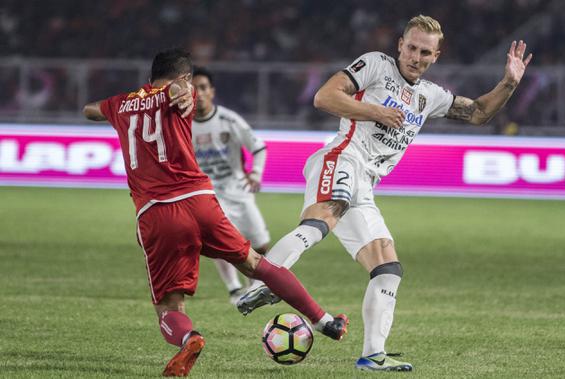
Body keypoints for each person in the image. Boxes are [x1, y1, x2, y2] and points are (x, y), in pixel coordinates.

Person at [237, 15, 532, 372]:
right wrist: (374, 110)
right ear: (400, 45)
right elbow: (324, 97)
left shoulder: (431, 96)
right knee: (326, 216)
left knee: (387, 267)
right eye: (411, 47)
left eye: (425, 51)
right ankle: (267, 278)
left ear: (436, 56)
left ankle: (372, 355)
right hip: (342, 158)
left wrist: (509, 83)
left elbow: (479, 113)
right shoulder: (376, 65)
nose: (416, 56)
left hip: (366, 187)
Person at [82, 48, 348, 377]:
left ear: (151, 79)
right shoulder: (181, 90)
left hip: (157, 212)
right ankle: (325, 321)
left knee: (169, 306)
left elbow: (89, 109)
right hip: (201, 201)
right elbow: (181, 92)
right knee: (256, 263)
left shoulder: (121, 104)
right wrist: (180, 92)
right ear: (184, 76)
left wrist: (122, 104)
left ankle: (189, 338)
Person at [191, 67, 271, 304]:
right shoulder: (182, 124)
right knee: (220, 242)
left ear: (212, 91)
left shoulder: (229, 119)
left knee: (261, 244)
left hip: (238, 190)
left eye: (203, 87)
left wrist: (255, 173)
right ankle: (234, 289)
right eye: (194, 88)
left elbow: (258, 147)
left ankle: (254, 286)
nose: (199, 93)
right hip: (208, 193)